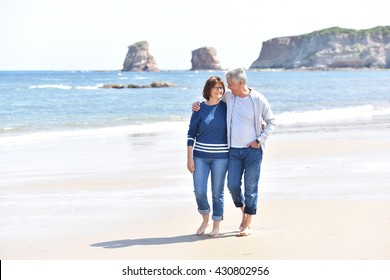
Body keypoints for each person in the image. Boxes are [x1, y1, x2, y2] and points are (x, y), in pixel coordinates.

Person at [192, 68, 276, 236]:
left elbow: (272, 121)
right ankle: (244, 209)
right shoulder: (230, 97)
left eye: (230, 84)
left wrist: (259, 140)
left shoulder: (258, 99)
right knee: (232, 185)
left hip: (253, 151)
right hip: (233, 151)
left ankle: (247, 222)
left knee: (251, 187)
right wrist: (196, 104)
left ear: (240, 83)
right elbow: (212, 98)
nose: (227, 88)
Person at [187, 75, 229, 237]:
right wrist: (189, 158)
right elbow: (191, 134)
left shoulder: (227, 107)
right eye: (216, 87)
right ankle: (205, 218)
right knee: (199, 191)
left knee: (217, 193)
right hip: (200, 157)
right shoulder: (199, 108)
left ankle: (217, 224)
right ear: (208, 90)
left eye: (221, 87)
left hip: (221, 157)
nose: (220, 90)